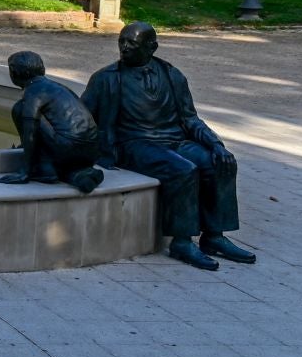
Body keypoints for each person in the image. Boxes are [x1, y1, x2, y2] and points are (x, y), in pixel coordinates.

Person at [82, 21, 255, 271]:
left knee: (219, 162)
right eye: (122, 41)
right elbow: (80, 116)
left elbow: (191, 119)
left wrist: (217, 145)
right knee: (183, 170)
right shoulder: (106, 79)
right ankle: (182, 242)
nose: (125, 47)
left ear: (152, 47)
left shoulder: (172, 75)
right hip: (135, 143)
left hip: (175, 140)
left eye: (132, 43)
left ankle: (214, 236)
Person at [0, 51, 104, 193]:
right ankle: (77, 176)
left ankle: (43, 168)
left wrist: (24, 171)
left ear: (14, 72)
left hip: (68, 149)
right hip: (91, 152)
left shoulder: (33, 91)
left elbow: (30, 133)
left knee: (20, 108)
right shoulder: (56, 87)